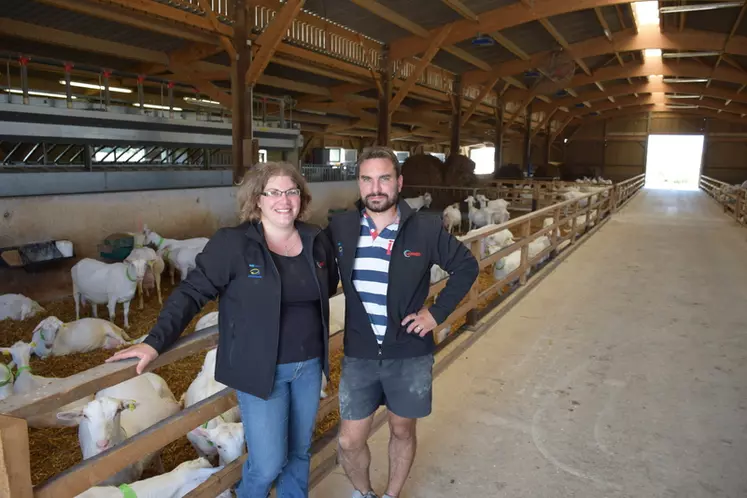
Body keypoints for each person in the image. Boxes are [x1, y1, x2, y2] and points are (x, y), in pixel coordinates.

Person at [105, 161, 339, 498]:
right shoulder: (233, 244)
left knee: (300, 452)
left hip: (309, 365)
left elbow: (326, 287)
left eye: (292, 192)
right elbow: (191, 292)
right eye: (274, 192)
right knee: (268, 462)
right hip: (261, 370)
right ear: (257, 199)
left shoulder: (315, 239)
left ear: (302, 197)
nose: (284, 200)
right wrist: (155, 341)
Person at [324, 146, 479, 498]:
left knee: (402, 431)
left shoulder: (424, 228)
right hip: (360, 353)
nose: (375, 187)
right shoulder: (342, 228)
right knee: (349, 441)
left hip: (409, 353)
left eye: (384, 178)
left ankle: (391, 495)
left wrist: (435, 314)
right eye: (367, 179)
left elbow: (466, 265)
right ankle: (364, 493)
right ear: (359, 183)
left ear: (399, 182)